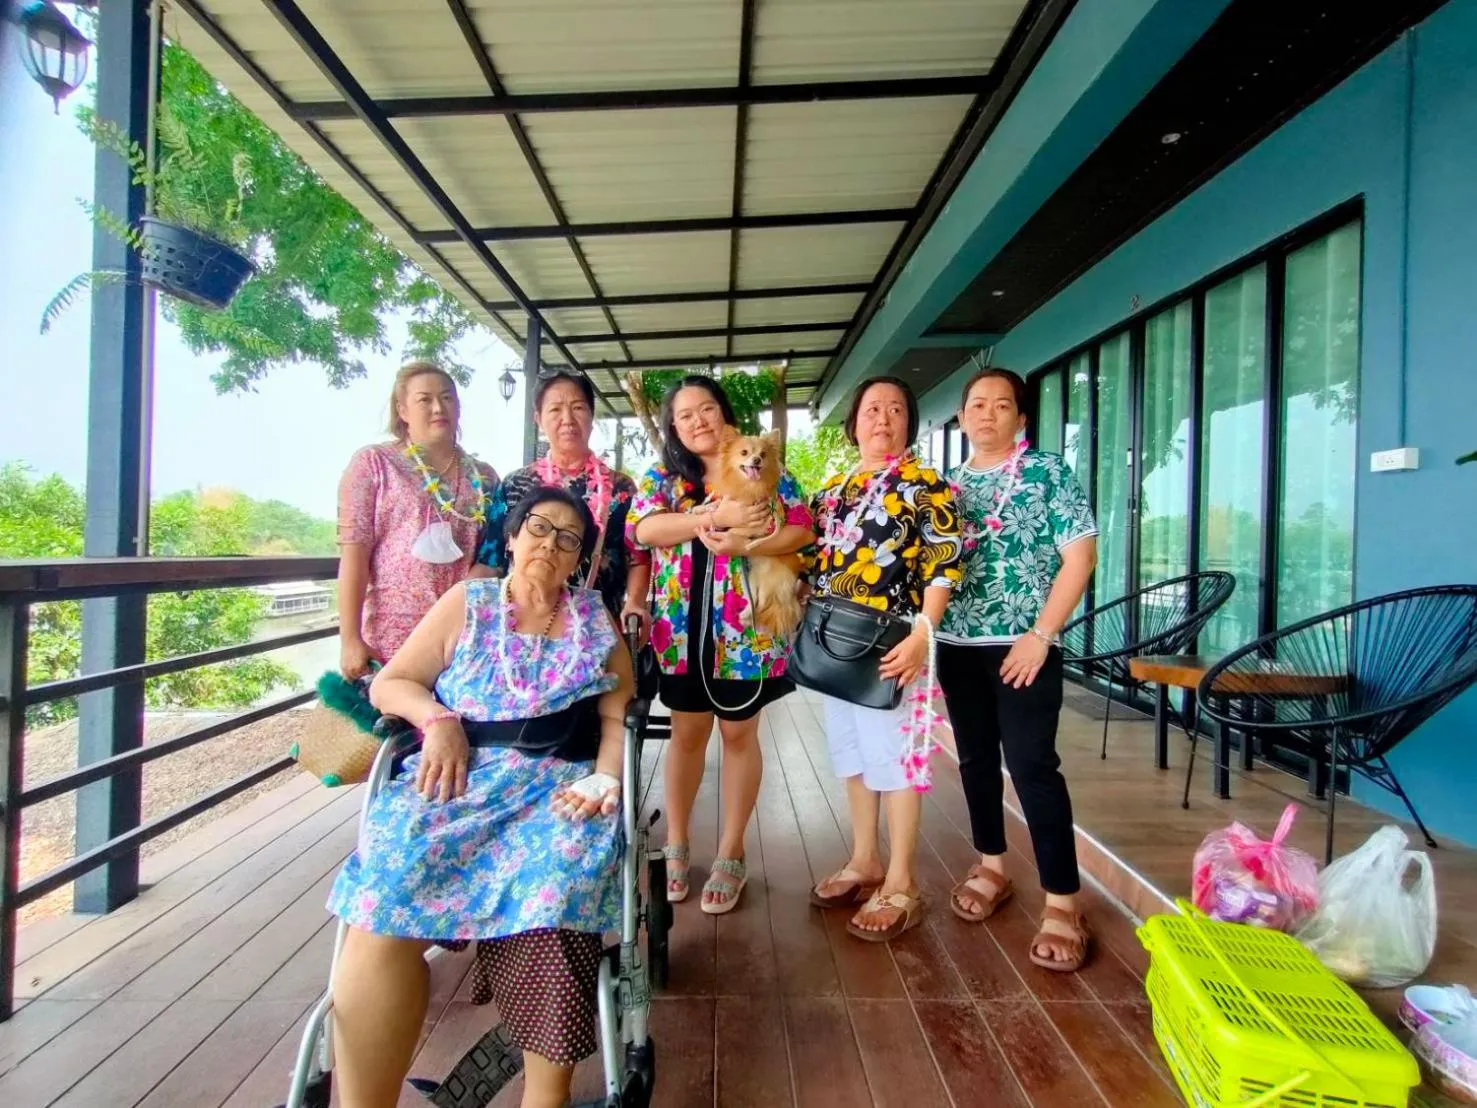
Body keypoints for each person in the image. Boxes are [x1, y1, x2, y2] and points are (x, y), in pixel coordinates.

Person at [325, 486, 633, 1108]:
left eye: (569, 539)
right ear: (513, 538)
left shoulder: (594, 620)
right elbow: (393, 684)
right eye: (540, 528)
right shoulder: (468, 601)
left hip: (554, 785)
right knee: (388, 893)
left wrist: (605, 778)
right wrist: (436, 720)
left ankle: (545, 1099)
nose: (551, 543)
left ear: (582, 560)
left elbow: (616, 717)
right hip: (455, 773)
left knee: (558, 888)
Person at [628, 376, 814, 914]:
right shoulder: (663, 476)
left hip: (746, 629)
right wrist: (713, 517)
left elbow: (802, 530)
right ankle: (678, 843)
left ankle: (732, 851)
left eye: (707, 409)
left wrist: (747, 540)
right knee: (686, 734)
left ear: (724, 414)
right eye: (685, 416)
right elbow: (644, 531)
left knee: (738, 734)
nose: (698, 422)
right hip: (682, 630)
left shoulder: (764, 467)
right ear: (674, 429)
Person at [938, 367, 1098, 973]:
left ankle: (1063, 899)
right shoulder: (946, 486)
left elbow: (1078, 559)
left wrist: (1041, 636)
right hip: (957, 644)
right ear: (962, 416)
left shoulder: (1049, 473)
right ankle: (992, 864)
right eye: (976, 404)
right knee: (975, 759)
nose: (987, 414)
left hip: (1025, 646)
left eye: (1001, 405)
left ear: (1020, 418)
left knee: (1032, 764)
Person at [807, 376, 962, 942]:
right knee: (851, 753)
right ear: (854, 425)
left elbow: (945, 562)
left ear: (909, 424)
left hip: (893, 642)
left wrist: (925, 631)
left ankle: (901, 881)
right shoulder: (835, 488)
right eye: (872, 409)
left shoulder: (927, 484)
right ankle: (866, 859)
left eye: (896, 409)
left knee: (894, 758)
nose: (883, 418)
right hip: (833, 644)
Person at [336, 361, 498, 678]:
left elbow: (491, 558)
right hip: (390, 635)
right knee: (389, 722)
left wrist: (452, 614)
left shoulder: (486, 477)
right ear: (403, 410)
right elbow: (354, 554)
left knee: (452, 725)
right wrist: (350, 639)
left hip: (461, 636)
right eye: (425, 399)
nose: (438, 407)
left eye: (447, 397)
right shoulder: (374, 464)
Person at [474, 371, 651, 636]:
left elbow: (637, 557)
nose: (567, 419)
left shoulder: (620, 487)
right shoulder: (515, 484)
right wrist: (458, 608)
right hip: (521, 628)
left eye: (578, 407)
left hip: (597, 630)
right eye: (555, 409)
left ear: (592, 417)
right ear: (538, 420)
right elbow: (491, 561)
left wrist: (635, 603)